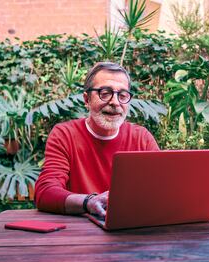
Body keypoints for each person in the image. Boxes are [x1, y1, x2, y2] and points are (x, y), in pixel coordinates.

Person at [34, 62, 159, 218]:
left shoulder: (142, 138)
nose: (115, 102)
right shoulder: (64, 135)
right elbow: (46, 192)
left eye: (122, 95)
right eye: (104, 93)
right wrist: (89, 202)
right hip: (81, 233)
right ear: (87, 100)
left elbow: (160, 189)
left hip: (129, 230)